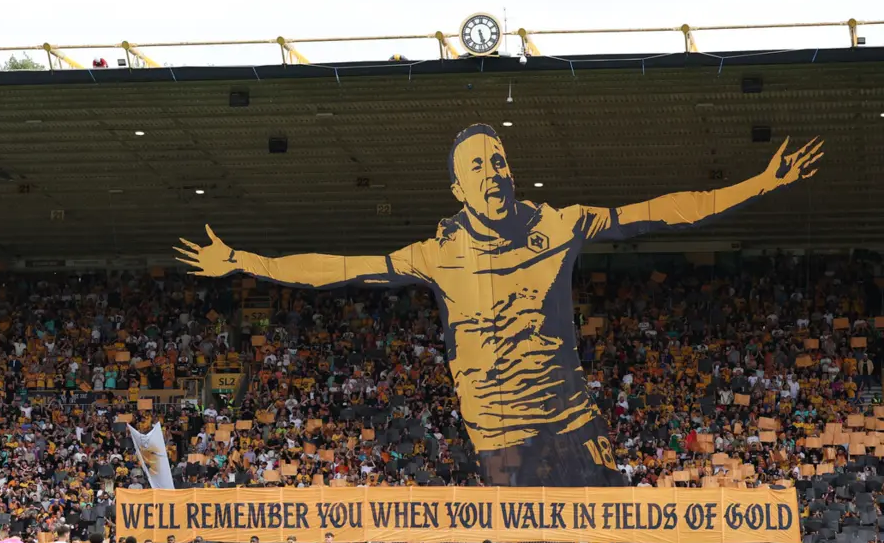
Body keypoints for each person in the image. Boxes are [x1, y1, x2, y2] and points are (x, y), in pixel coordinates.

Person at [175, 128, 825, 486]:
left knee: (611, 532)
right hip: (500, 437)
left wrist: (760, 183)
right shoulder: (438, 252)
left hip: (574, 420)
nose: (492, 172)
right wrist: (243, 259)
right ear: (459, 187)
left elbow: (657, 210)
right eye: (477, 166)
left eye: (499, 160)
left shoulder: (560, 224)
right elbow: (339, 270)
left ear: (511, 170)